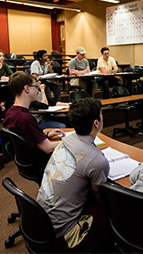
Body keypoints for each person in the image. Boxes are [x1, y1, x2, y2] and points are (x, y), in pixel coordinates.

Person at [37, 97, 109, 252]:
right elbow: (100, 198)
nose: (103, 117)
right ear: (96, 123)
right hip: (63, 235)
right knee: (113, 214)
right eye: (101, 115)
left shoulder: (65, 141)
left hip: (41, 220)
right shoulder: (97, 160)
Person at [3, 71, 65, 175]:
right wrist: (74, 140)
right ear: (26, 88)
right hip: (40, 164)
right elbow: (48, 148)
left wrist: (46, 135)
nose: (38, 90)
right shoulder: (25, 118)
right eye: (35, 86)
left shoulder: (11, 112)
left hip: (28, 161)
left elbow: (27, 137)